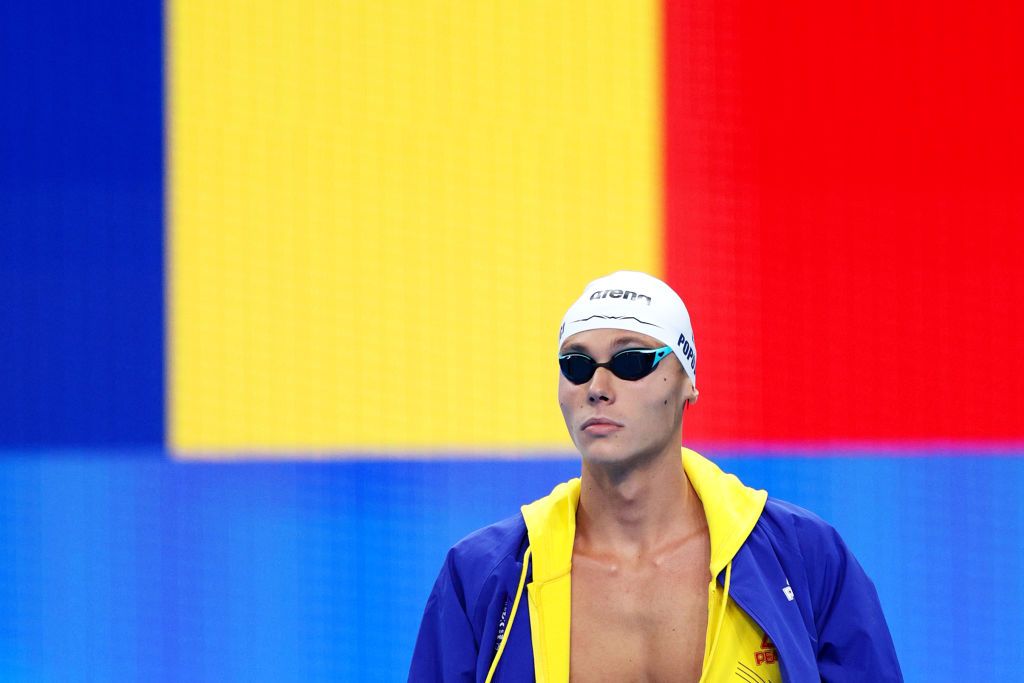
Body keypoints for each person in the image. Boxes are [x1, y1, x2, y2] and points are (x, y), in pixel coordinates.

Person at [409, 271, 902, 682]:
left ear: (688, 380)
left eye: (631, 361)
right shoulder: (482, 575)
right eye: (576, 365)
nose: (598, 388)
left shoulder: (805, 557)